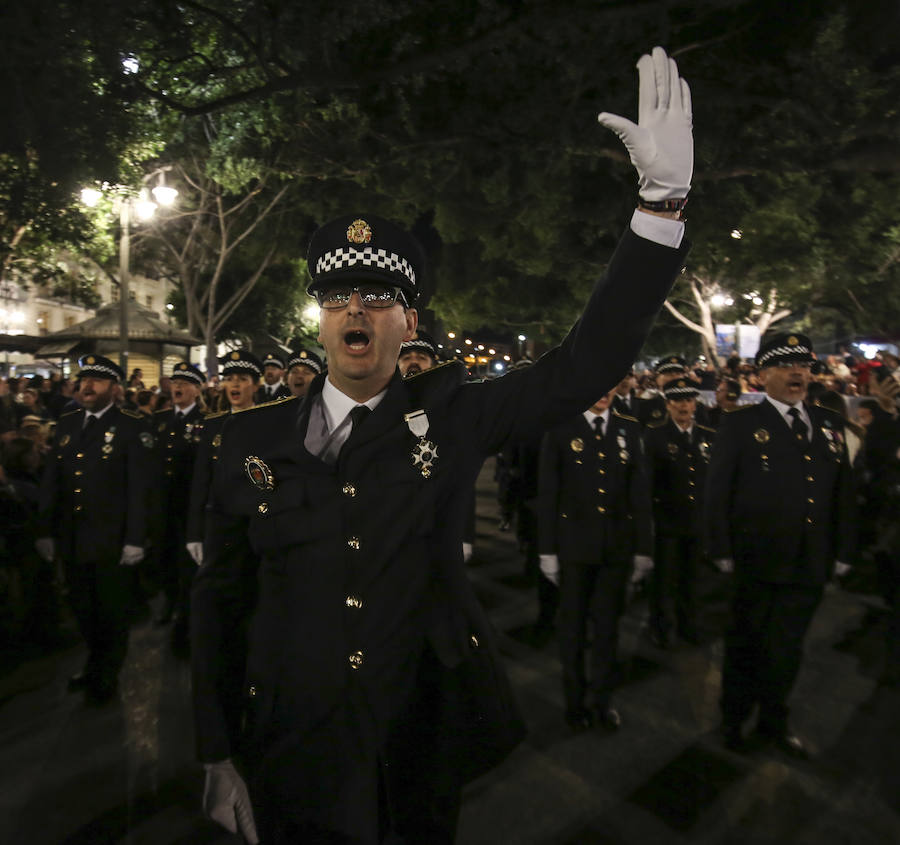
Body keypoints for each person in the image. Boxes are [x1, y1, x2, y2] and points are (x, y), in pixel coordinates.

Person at [192, 46, 692, 844]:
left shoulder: (455, 416)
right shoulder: (241, 441)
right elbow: (218, 605)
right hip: (290, 744)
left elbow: (585, 362)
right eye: (338, 296)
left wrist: (661, 205)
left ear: (409, 322)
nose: (358, 308)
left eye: (382, 296)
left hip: (418, 739)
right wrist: (215, 751)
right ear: (320, 320)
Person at [705, 332, 855, 756]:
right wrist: (720, 549)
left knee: (788, 649)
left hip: (809, 563)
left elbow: (841, 491)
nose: (798, 373)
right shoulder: (740, 424)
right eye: (787, 366)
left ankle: (774, 721)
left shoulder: (828, 424)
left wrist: (844, 551)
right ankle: (733, 720)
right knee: (747, 644)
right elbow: (717, 493)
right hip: (756, 560)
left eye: (804, 365)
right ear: (764, 374)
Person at [35, 355, 155, 704]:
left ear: (114, 388)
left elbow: (139, 488)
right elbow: (52, 481)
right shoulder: (68, 421)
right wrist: (45, 530)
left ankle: (107, 674)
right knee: (82, 607)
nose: (86, 386)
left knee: (111, 612)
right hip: (72, 536)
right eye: (83, 379)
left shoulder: (133, 425)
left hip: (110, 539)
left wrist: (135, 539)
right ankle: (94, 662)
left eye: (96, 381)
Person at [537, 391, 653, 731]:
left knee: (607, 630)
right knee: (571, 631)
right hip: (573, 551)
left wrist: (644, 548)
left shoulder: (628, 429)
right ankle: (574, 704)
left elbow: (639, 494)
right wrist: (547, 551)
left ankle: (601, 702)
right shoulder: (560, 426)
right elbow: (549, 493)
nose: (604, 394)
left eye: (611, 385)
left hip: (615, 550)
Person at [644, 378, 716, 647]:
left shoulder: (708, 435)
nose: (684, 406)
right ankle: (660, 626)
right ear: (668, 405)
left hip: (696, 522)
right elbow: (648, 482)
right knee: (664, 580)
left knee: (692, 578)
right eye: (677, 401)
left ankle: (689, 624)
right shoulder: (655, 435)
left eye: (688, 400)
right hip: (668, 522)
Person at [186, 349, 263, 563]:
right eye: (229, 379)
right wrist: (194, 533)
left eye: (242, 379)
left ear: (256, 385)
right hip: (219, 525)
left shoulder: (269, 423)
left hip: (257, 525)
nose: (235, 385)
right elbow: (201, 481)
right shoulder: (213, 425)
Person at [151, 362, 206, 652]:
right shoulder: (159, 421)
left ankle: (185, 620)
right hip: (163, 506)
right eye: (175, 383)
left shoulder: (206, 421)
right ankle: (169, 601)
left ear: (196, 390)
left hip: (188, 506)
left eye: (185, 384)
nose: (178, 388)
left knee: (187, 566)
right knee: (165, 557)